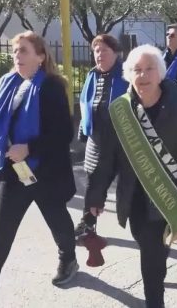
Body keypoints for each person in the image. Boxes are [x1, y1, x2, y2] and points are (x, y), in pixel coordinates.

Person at [89, 44, 177, 308]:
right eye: (137, 69)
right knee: (150, 248)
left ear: (160, 73)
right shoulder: (119, 110)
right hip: (134, 198)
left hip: (167, 196)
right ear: (129, 74)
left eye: (149, 69)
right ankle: (158, 268)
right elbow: (107, 160)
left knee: (152, 258)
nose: (143, 75)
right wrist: (96, 195)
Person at [0, 31, 78, 305]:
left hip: (44, 171)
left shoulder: (50, 86)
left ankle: (68, 259)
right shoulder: (8, 84)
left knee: (57, 219)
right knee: (1, 231)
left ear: (40, 56)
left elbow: (63, 133)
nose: (17, 56)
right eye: (15, 51)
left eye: (24, 51)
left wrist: (29, 149)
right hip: (15, 173)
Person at [75, 34, 128, 237]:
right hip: (97, 139)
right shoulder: (92, 75)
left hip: (123, 140)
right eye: (96, 51)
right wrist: (83, 129)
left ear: (116, 53)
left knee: (131, 186)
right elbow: (85, 104)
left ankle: (151, 222)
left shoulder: (126, 74)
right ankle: (87, 224)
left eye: (104, 50)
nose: (99, 55)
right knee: (93, 183)